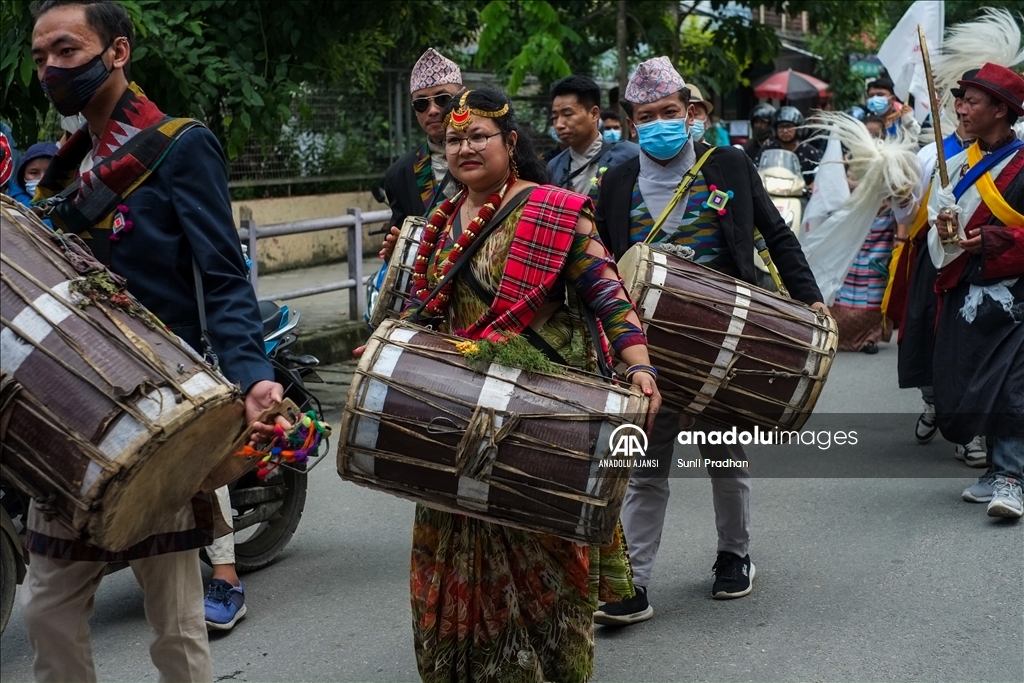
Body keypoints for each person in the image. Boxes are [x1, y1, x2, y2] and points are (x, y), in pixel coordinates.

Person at [24, 2, 285, 680]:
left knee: (174, 623)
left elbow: (223, 276)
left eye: (66, 51)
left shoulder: (179, 143)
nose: (50, 67)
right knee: (48, 613)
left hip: (157, 410)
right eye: (40, 56)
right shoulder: (61, 173)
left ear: (116, 52)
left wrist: (252, 372)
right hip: (69, 413)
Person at [374, 86, 661, 682]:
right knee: (451, 542)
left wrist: (638, 365)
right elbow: (412, 313)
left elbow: (608, 293)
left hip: (538, 415)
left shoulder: (553, 210)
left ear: (510, 143)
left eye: (479, 136)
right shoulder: (437, 222)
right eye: (455, 139)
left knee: (543, 560)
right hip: (455, 414)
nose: (465, 147)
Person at [592, 57, 827, 623]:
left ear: (690, 112)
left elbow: (775, 232)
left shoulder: (728, 165)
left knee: (724, 455)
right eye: (647, 116)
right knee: (644, 466)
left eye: (670, 112)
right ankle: (633, 583)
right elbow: (596, 261)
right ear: (631, 124)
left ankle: (734, 556)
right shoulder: (615, 182)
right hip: (646, 352)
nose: (660, 124)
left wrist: (809, 297)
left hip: (725, 343)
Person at [929, 63, 1024, 519]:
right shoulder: (957, 165)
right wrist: (944, 228)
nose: (960, 109)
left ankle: (1012, 476)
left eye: (971, 101)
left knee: (1010, 383)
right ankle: (994, 472)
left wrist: (993, 240)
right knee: (974, 379)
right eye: (959, 100)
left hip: (1015, 298)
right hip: (967, 289)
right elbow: (941, 242)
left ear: (1001, 110)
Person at [379, 48, 462, 258]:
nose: (432, 110)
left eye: (442, 99)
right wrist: (394, 251)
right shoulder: (400, 174)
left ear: (462, 97)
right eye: (421, 103)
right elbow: (400, 247)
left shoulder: (490, 153)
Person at [546, 75, 638, 194]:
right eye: (554, 117)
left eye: (568, 114)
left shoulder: (629, 157)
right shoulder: (554, 167)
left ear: (594, 114)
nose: (559, 124)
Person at [755, 106, 822, 188]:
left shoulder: (810, 152)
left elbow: (821, 174)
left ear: (798, 128)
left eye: (789, 126)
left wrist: (813, 185)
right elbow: (756, 170)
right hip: (770, 194)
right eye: (781, 127)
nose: (785, 131)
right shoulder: (767, 149)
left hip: (802, 196)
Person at [9, 141, 57, 207]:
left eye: (49, 172)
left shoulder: (73, 205)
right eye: (34, 173)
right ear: (22, 176)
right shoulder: (9, 207)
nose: (42, 179)